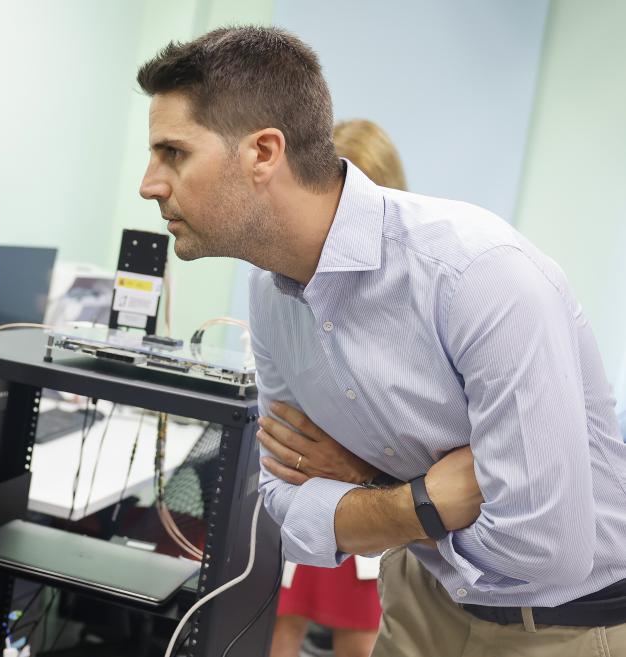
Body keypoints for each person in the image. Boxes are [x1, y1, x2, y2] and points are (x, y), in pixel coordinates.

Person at [136, 26, 626, 657]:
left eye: (173, 153)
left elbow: (546, 555)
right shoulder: (270, 292)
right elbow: (290, 503)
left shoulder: (478, 276)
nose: (150, 183)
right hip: (421, 599)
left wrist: (370, 492)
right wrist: (419, 500)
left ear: (263, 152)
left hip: (565, 627)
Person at [271, 118, 406, 657]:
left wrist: (366, 473)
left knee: (360, 630)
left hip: (380, 501)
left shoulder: (410, 293)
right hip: (311, 487)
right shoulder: (290, 283)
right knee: (283, 619)